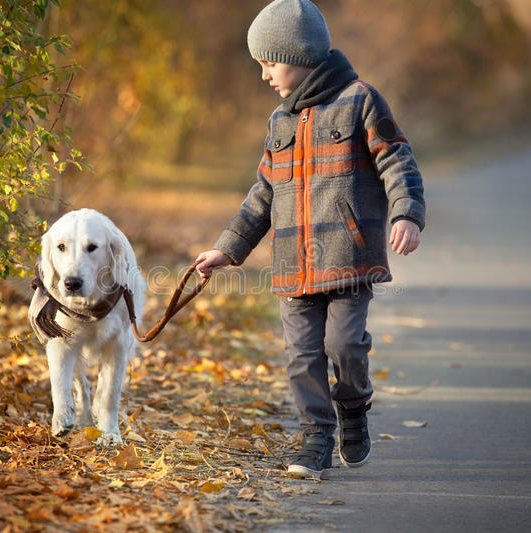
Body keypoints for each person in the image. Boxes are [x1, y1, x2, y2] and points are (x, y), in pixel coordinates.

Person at [195, 0, 425, 479]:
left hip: (348, 258)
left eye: (269, 64)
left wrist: (406, 213)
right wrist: (228, 248)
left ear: (300, 56)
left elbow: (397, 159)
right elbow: (262, 195)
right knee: (301, 357)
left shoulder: (362, 100)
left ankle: (354, 407)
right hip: (292, 265)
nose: (264, 76)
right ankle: (315, 440)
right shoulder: (278, 123)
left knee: (343, 347)